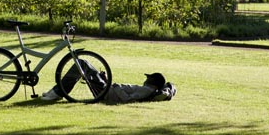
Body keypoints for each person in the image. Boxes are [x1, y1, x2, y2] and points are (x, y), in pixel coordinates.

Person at [41, 60, 176, 104]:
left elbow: (127, 99)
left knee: (82, 63)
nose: (145, 79)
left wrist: (114, 86)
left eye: (148, 77)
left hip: (107, 93)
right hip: (108, 89)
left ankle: (57, 92)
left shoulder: (146, 90)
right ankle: (58, 91)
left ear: (152, 81)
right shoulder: (148, 90)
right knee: (82, 65)